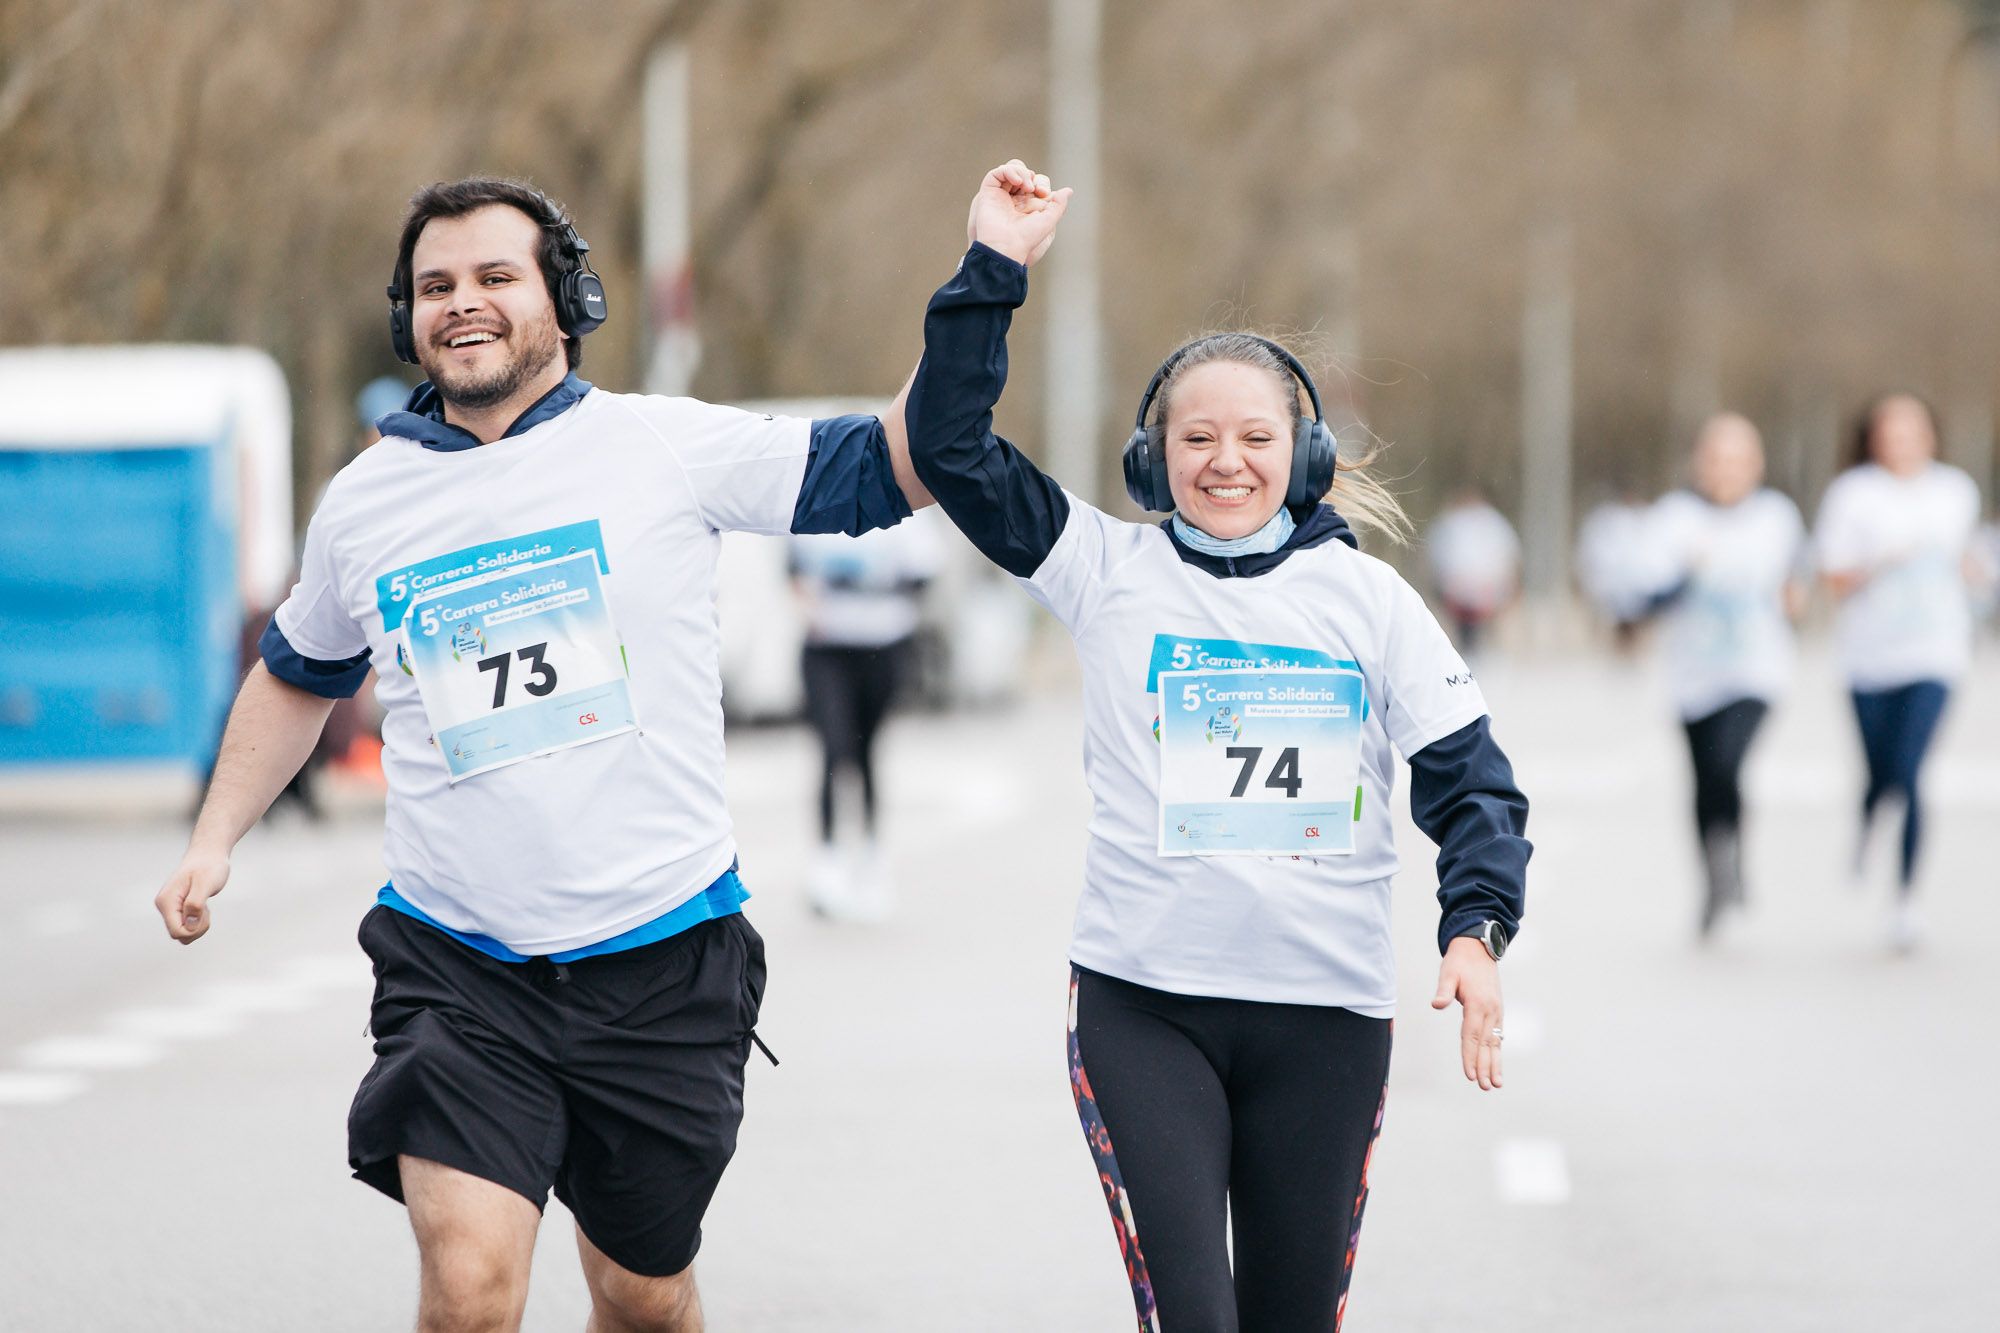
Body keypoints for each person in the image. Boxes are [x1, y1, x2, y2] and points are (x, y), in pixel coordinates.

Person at [152, 177, 915, 1332]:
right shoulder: (365, 501)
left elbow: (888, 467)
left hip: (661, 958)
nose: (462, 304)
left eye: (495, 278)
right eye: (434, 287)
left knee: (640, 1293)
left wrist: (982, 285)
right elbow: (297, 672)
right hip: (459, 967)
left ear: (564, 298)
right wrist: (214, 839)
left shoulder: (662, 444)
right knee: (468, 1286)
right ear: (406, 314)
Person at [892, 162, 1531, 1332]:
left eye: (1252, 437)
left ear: (1305, 455)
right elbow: (946, 446)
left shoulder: (1369, 601)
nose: (1224, 461)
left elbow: (1471, 783)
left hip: (1324, 1022)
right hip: (1145, 1009)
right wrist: (993, 267)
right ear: (1153, 457)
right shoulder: (1100, 569)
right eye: (1195, 438)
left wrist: (1473, 929)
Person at [1813, 391, 1982, 950]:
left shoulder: (1956, 491)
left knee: (1911, 772)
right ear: (1873, 437)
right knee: (1881, 771)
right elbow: (1834, 580)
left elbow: (1966, 563)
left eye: (1913, 430)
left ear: (1931, 435)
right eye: (1892, 431)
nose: (1903, 442)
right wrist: (1880, 562)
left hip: (1936, 652)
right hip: (1868, 658)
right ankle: (1867, 826)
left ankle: (1906, 899)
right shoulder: (1853, 494)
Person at [1643, 413, 1805, 937]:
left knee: (1729, 763)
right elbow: (1647, 595)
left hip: (1757, 669)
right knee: (1704, 779)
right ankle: (1715, 874)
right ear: (1699, 464)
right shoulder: (1675, 518)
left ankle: (1732, 858)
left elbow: (1795, 582)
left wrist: (1795, 599)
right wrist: (1684, 574)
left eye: (1738, 460)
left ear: (1756, 465)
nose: (1726, 470)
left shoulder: (1777, 517)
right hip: (1692, 675)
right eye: (1716, 459)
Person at [788, 511, 942, 922]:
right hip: (827, 650)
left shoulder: (905, 515)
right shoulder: (816, 504)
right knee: (834, 748)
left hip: (882, 648)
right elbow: (792, 566)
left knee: (868, 751)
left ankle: (872, 858)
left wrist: (878, 589)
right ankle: (827, 858)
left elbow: (924, 576)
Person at [1424, 484, 1521, 655]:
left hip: (1487, 589)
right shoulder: (1452, 524)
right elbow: (1439, 558)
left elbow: (1506, 556)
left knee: (1485, 635)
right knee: (1467, 636)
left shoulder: (1493, 524)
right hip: (1461, 591)